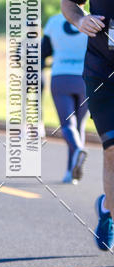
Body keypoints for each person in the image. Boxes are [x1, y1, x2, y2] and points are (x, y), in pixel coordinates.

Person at [61, 0, 114, 249]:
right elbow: (68, 0)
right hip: (101, 73)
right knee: (112, 150)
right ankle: (110, 215)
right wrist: (81, 20)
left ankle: (107, 204)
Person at [41, 13, 88, 183]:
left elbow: (43, 51)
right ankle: (71, 173)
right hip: (85, 79)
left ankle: (77, 150)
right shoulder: (92, 19)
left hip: (61, 77)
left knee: (68, 125)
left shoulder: (54, 21)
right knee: (80, 126)